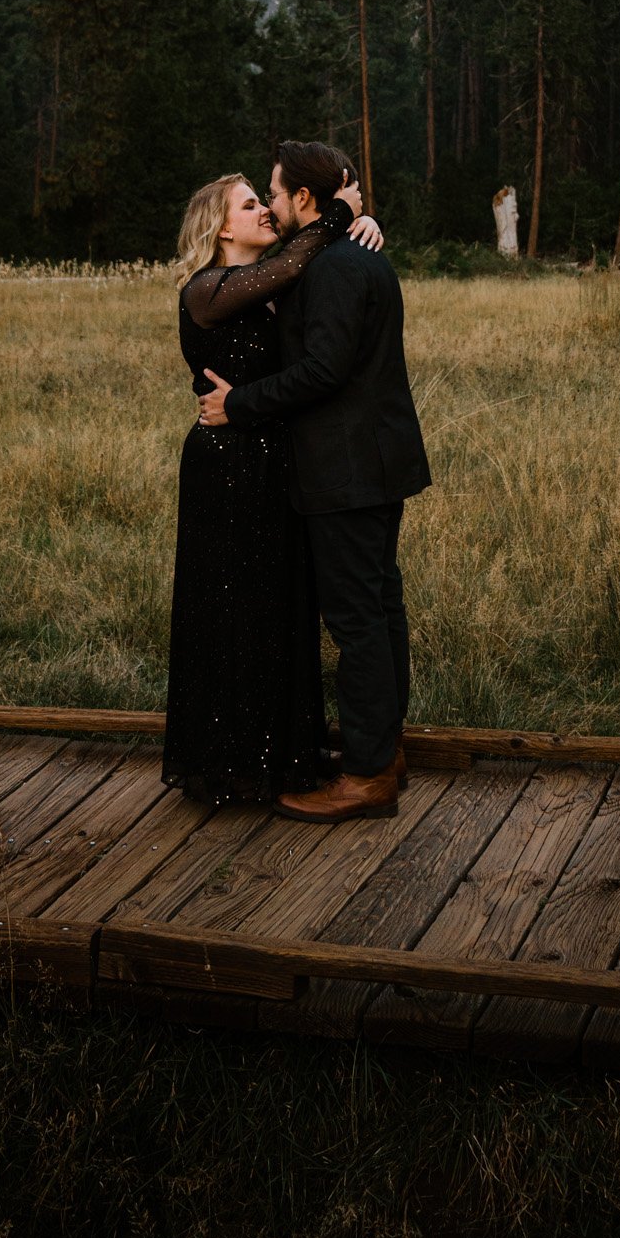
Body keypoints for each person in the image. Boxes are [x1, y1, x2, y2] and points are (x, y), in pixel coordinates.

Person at [198, 139, 431, 824]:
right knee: (380, 609)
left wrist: (237, 403)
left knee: (358, 620)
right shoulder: (357, 256)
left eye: (273, 194)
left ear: (304, 198)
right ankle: (381, 751)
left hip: (346, 469)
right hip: (377, 462)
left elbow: (324, 370)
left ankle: (366, 777)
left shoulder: (332, 268)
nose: (269, 206)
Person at [164, 169, 382, 803]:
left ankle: (276, 753)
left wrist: (359, 230)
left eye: (266, 199)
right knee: (228, 608)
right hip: (225, 470)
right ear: (222, 226)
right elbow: (289, 267)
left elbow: (303, 277)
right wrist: (338, 215)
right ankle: (228, 762)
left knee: (276, 606)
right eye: (250, 204)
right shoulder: (205, 291)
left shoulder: (267, 292)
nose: (265, 210)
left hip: (273, 465)